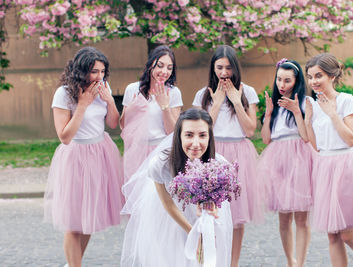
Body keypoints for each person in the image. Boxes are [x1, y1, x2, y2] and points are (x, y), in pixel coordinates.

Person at [120, 108, 233, 267]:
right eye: (189, 135)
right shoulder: (161, 165)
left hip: (201, 218)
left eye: (202, 135)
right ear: (178, 136)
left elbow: (216, 201)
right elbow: (167, 203)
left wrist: (210, 212)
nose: (195, 143)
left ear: (210, 137)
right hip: (170, 221)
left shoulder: (219, 165)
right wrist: (192, 232)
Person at [44, 47, 123, 267]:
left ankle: (73, 264)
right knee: (74, 223)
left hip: (100, 154)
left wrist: (108, 101)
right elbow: (65, 136)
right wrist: (82, 105)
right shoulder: (64, 93)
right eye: (94, 71)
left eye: (102, 72)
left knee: (90, 219)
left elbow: (114, 123)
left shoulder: (102, 88)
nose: (99, 77)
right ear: (81, 70)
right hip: (75, 157)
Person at [192, 45, 263, 267]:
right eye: (220, 67)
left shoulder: (247, 92)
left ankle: (233, 263)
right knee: (209, 213)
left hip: (239, 155)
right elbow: (201, 127)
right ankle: (210, 261)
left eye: (228, 68)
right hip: (212, 153)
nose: (224, 73)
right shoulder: (203, 94)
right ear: (213, 69)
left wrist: (234, 100)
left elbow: (250, 129)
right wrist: (218, 101)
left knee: (237, 217)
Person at [304, 53, 353, 267]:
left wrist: (332, 114)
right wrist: (308, 120)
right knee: (333, 236)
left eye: (318, 76)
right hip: (324, 167)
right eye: (310, 77)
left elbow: (351, 138)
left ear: (332, 76)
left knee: (348, 234)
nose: (314, 81)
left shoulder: (346, 100)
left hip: (346, 167)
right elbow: (317, 146)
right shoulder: (313, 104)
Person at [257, 59, 313, 267]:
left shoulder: (306, 103)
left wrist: (297, 111)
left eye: (287, 80)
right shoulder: (276, 104)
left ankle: (300, 263)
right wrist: (269, 113)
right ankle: (290, 261)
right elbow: (265, 139)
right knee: (283, 219)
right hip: (277, 161)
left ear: (296, 81)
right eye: (279, 79)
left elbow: (307, 136)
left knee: (301, 219)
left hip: (299, 159)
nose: (282, 84)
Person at [119, 45, 183, 182]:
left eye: (169, 68)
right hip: (137, 150)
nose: (164, 71)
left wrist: (164, 106)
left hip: (162, 151)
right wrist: (132, 108)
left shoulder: (173, 93)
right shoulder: (132, 89)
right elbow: (123, 125)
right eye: (160, 65)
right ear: (150, 65)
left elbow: (172, 131)